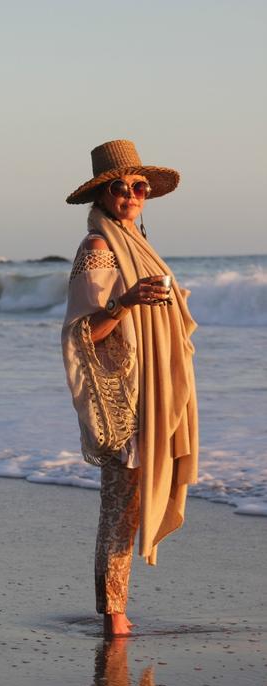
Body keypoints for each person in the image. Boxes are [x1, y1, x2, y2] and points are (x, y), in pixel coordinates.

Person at [61, 139, 199, 637]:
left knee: (133, 502)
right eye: (122, 187)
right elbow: (82, 331)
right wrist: (124, 302)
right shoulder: (98, 248)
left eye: (139, 187)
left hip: (151, 389)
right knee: (121, 505)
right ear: (103, 194)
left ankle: (117, 611)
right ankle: (114, 616)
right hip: (125, 397)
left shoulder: (137, 244)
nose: (133, 195)